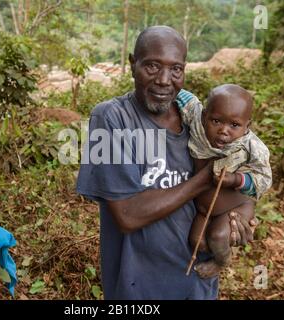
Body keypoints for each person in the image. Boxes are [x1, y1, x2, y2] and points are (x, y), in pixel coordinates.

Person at [76, 26, 257, 300]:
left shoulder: (200, 122)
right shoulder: (112, 119)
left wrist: (237, 220)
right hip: (140, 288)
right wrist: (204, 179)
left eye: (176, 69)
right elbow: (127, 215)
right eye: (151, 66)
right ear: (132, 63)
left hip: (198, 283)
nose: (164, 80)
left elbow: (232, 186)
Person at [175, 85, 272, 279]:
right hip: (204, 209)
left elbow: (264, 178)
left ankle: (222, 261)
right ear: (204, 116)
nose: (223, 131)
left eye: (234, 125)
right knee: (197, 242)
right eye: (216, 121)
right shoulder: (197, 121)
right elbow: (182, 96)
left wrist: (236, 179)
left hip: (235, 207)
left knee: (218, 237)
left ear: (247, 126)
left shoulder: (251, 146)